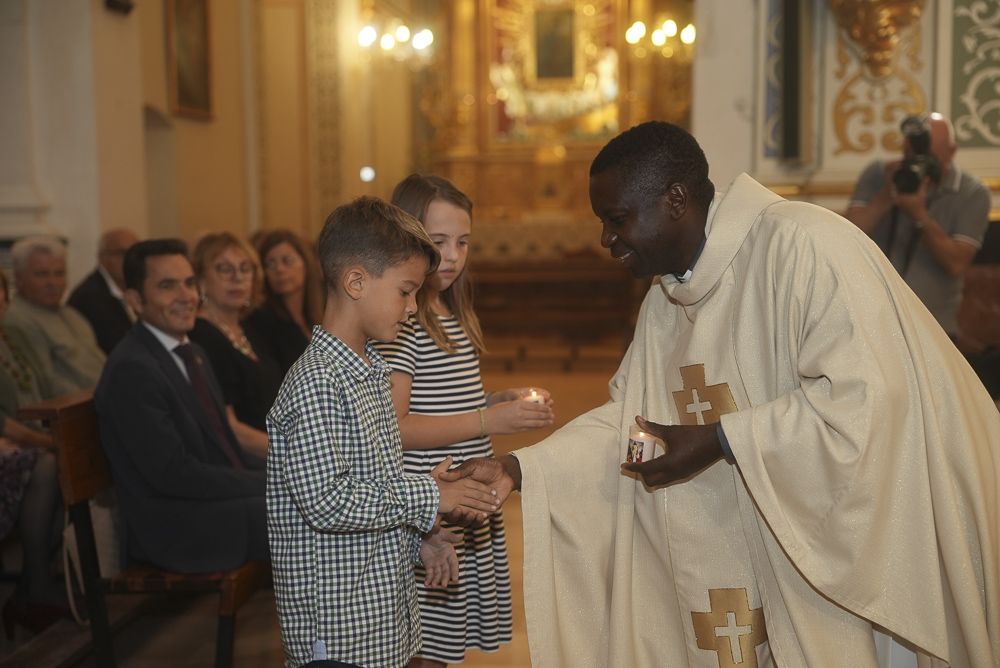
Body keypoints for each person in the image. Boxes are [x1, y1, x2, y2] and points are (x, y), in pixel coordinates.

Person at [444, 122, 1000, 666]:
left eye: (616, 220)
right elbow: (631, 425)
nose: (606, 240)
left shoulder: (804, 246)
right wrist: (519, 469)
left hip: (856, 558)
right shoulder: (665, 302)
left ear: (676, 199)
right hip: (749, 564)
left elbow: (871, 402)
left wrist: (721, 438)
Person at [266, 196, 504, 668]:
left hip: (381, 618)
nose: (413, 307)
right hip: (338, 632)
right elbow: (328, 501)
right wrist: (429, 495)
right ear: (356, 282)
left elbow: (372, 492)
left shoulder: (372, 370)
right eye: (405, 291)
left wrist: (423, 538)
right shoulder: (317, 383)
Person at [376, 174, 555, 668]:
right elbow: (398, 427)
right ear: (408, 240)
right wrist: (488, 417)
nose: (453, 256)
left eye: (463, 242)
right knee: (423, 646)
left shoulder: (455, 314)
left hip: (462, 497)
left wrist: (497, 399)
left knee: (445, 646)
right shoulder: (402, 322)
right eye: (438, 243)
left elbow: (450, 400)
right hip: (428, 504)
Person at [94, 239, 267, 573]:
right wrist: (267, 483)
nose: (186, 297)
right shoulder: (133, 368)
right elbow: (174, 475)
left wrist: (281, 474)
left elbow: (224, 447)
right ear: (134, 300)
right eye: (166, 286)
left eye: (189, 283)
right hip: (175, 523)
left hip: (208, 500)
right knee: (296, 510)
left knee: (308, 499)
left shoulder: (193, 353)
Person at [846, 112, 991, 340]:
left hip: (935, 330)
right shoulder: (879, 175)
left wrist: (918, 214)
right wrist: (887, 196)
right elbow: (847, 238)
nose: (919, 165)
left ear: (951, 152)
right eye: (911, 156)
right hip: (874, 324)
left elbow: (956, 264)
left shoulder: (972, 192)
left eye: (929, 158)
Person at [0, 271, 67, 638]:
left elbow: (42, 388)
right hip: (16, 447)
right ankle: (36, 585)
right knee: (49, 465)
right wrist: (49, 443)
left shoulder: (15, 337)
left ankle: (32, 587)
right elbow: (5, 425)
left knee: (65, 462)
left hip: (32, 439)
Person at [190, 232, 282, 458]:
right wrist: (296, 454)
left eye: (245, 268)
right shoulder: (202, 336)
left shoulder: (249, 329)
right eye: (224, 269)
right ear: (201, 280)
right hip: (244, 461)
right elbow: (229, 428)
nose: (237, 277)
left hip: (273, 449)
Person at [4, 235, 105, 396]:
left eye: (59, 273)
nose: (53, 283)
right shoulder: (17, 320)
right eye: (42, 274)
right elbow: (46, 383)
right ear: (18, 278)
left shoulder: (72, 314)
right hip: (77, 412)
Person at [244, 229, 323, 375]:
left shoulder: (323, 311)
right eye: (270, 264)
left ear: (305, 264)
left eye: (287, 261)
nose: (279, 269)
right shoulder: (260, 320)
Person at [67, 228, 140, 355]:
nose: (129, 259)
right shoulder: (89, 297)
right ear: (102, 257)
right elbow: (117, 347)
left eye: (135, 253)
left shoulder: (137, 287)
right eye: (121, 253)